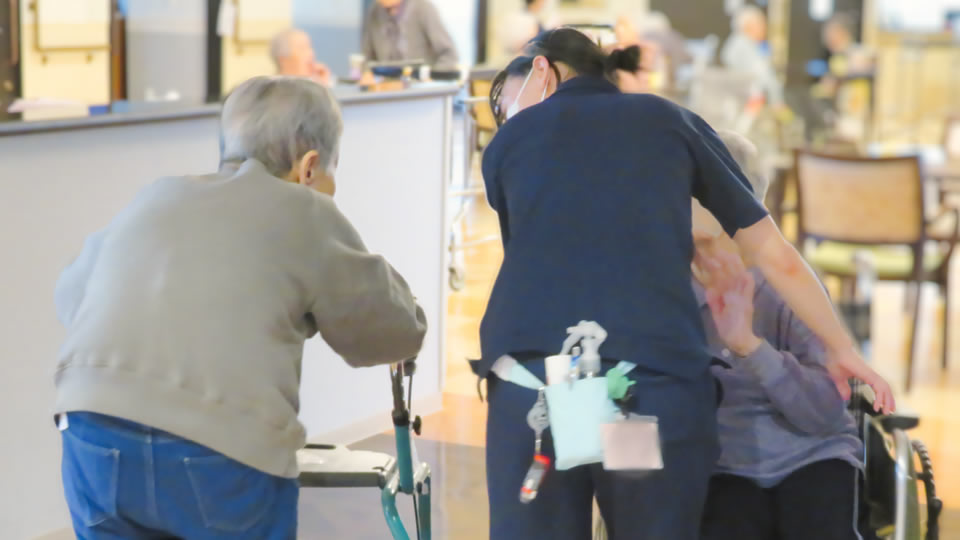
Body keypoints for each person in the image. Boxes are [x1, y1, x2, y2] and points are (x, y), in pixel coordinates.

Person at [481, 28, 891, 540]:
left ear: (542, 70)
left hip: (541, 385)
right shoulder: (669, 120)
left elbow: (530, 267)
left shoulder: (510, 142)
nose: (510, 113)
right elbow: (774, 254)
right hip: (641, 390)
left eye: (507, 101)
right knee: (642, 522)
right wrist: (841, 348)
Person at [53, 76, 427, 540]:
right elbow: (390, 333)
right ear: (309, 167)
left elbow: (70, 296)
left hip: (91, 428)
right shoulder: (303, 209)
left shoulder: (156, 197)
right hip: (219, 451)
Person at [693, 131, 865, 540]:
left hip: (812, 454)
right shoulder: (669, 288)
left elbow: (824, 414)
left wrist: (752, 349)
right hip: (723, 464)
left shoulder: (792, 290)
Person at [720, 5, 784, 108]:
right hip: (747, 104)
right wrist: (777, 102)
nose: (765, 28)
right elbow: (763, 77)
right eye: (762, 24)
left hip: (743, 101)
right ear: (749, 26)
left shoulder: (739, 42)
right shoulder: (743, 46)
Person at [362, 0, 459, 68]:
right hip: (387, 86)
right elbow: (369, 57)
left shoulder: (423, 8)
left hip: (420, 86)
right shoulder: (375, 11)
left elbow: (449, 54)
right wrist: (368, 73)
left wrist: (432, 78)